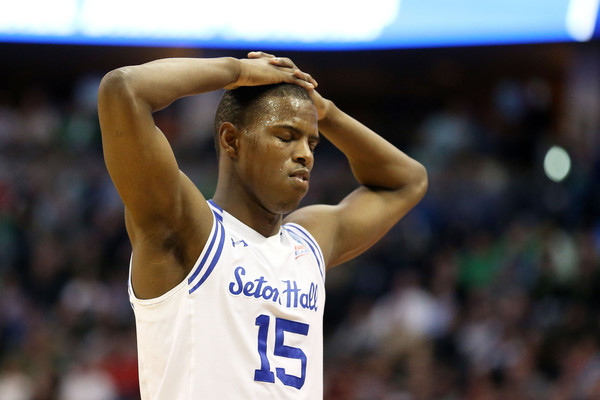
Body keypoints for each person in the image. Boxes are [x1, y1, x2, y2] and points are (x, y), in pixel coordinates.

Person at [97, 51, 428, 400]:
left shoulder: (309, 242)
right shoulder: (187, 228)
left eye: (311, 142)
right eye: (286, 137)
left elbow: (408, 181)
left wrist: (325, 111)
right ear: (231, 140)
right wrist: (236, 71)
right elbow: (123, 89)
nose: (306, 154)